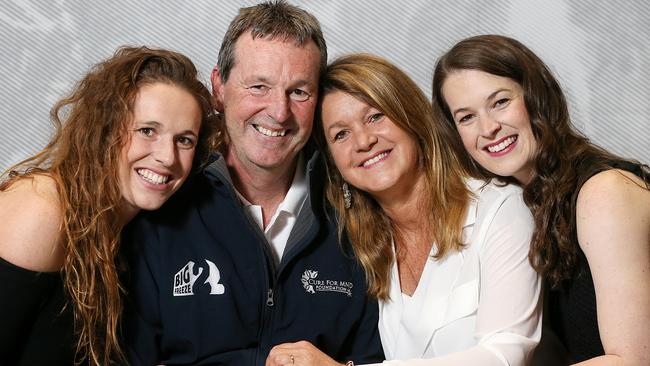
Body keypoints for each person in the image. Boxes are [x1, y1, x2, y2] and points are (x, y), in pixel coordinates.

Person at [122, 2, 384, 365]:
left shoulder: (357, 216)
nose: (279, 111)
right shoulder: (158, 209)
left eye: (299, 92)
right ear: (219, 87)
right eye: (259, 86)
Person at [266, 53, 542, 366]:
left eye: (375, 117)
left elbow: (507, 355)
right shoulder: (363, 250)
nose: (364, 140)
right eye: (341, 134)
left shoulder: (501, 209)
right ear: (334, 163)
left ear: (411, 115)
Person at [432, 34, 650, 365]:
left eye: (500, 102)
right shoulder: (525, 205)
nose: (488, 127)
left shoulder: (603, 193)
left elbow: (633, 360)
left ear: (536, 96)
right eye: (467, 117)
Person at [0, 46, 218, 365]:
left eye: (184, 140)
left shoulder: (126, 230)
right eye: (147, 131)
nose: (168, 157)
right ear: (105, 129)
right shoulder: (43, 210)